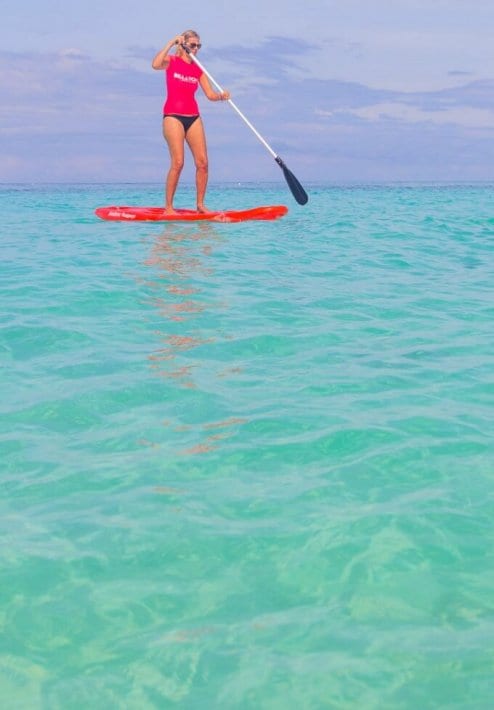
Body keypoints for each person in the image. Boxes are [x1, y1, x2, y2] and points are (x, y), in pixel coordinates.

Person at [152, 30, 230, 213]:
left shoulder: (199, 68)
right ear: (184, 44)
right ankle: (169, 207)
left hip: (193, 117)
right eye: (192, 45)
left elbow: (210, 95)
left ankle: (200, 205)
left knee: (203, 163)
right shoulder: (172, 61)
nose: (196, 49)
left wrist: (221, 96)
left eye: (198, 46)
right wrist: (172, 41)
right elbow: (155, 65)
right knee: (178, 162)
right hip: (173, 116)